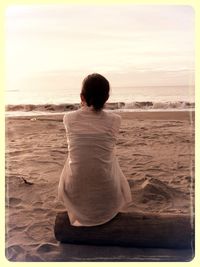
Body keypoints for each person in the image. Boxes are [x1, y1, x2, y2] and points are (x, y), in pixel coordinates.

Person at [58, 73, 132, 227]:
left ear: (82, 97)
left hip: (75, 190)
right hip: (107, 192)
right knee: (109, 156)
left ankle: (79, 208)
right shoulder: (115, 120)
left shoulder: (68, 118)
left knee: (74, 158)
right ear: (106, 98)